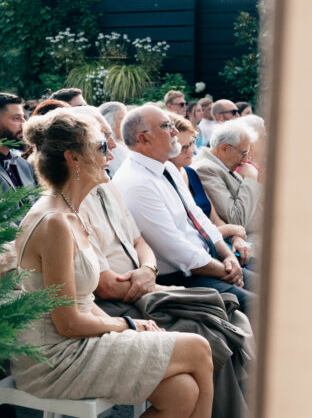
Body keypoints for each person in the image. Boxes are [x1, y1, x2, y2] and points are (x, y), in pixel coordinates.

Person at [11, 109, 245, 418]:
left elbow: (80, 300)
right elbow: (67, 322)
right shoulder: (55, 222)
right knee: (196, 347)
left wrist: (129, 324)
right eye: (101, 147)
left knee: (182, 390)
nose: (111, 151)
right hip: (52, 356)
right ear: (72, 158)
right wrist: (130, 326)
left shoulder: (71, 211)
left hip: (79, 338)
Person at [113, 105, 257, 310]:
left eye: (172, 125)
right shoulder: (137, 183)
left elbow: (198, 217)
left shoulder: (168, 167)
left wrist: (226, 256)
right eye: (166, 126)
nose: (174, 132)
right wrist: (227, 271)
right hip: (183, 277)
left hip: (209, 261)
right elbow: (177, 251)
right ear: (144, 139)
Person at [167, 115, 250, 264]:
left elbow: (215, 219)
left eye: (192, 142)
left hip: (217, 247)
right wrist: (232, 230)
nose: (190, 150)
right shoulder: (166, 180)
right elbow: (189, 234)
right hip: (197, 259)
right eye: (183, 147)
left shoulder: (190, 173)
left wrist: (236, 238)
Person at [193, 121, 264, 252]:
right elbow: (236, 219)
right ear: (224, 148)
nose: (245, 160)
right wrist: (250, 179)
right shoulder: (205, 168)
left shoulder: (220, 164)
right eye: (243, 153)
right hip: (250, 241)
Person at [98, 100, 128, 176]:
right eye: (122, 119)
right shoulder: (114, 150)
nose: (126, 123)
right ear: (109, 122)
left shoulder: (122, 146)